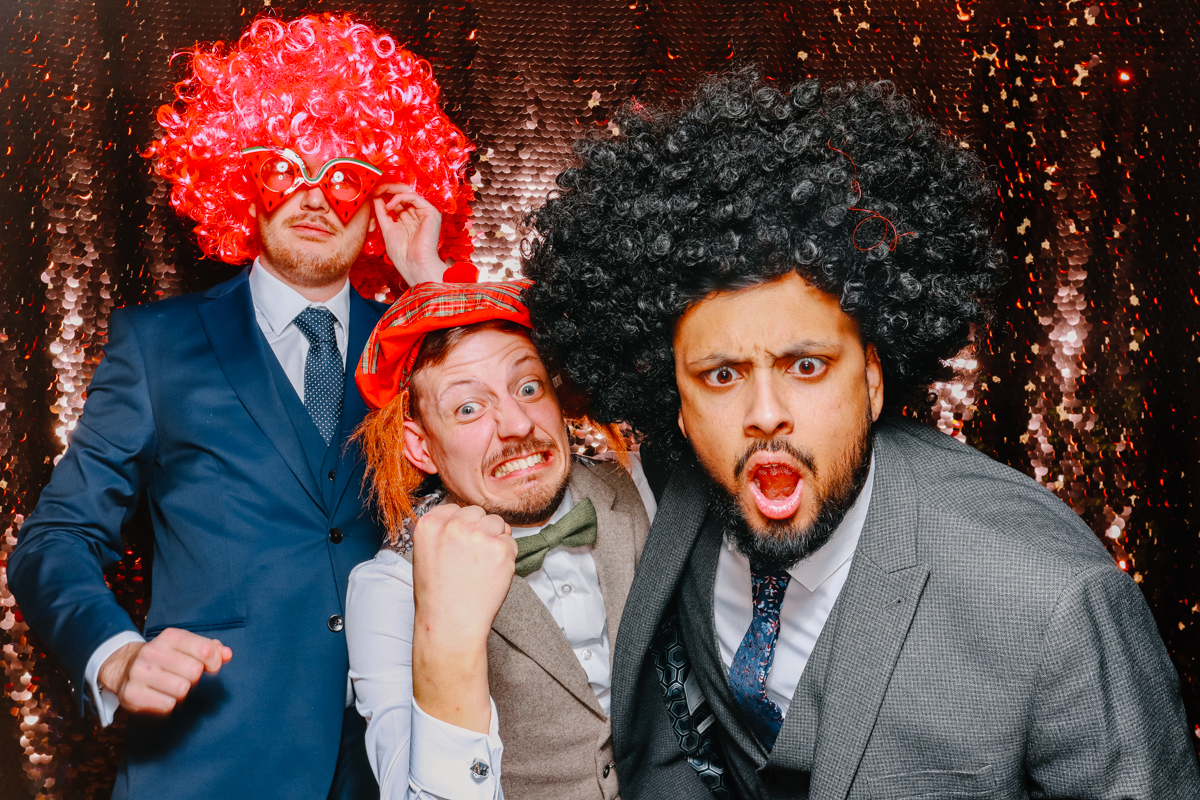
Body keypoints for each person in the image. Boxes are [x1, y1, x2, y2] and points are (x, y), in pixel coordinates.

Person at [522, 69, 1200, 799]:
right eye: (721, 376)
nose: (765, 412)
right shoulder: (677, 500)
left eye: (806, 365)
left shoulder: (1051, 600)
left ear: (873, 378)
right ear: (677, 406)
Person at [8, 14, 475, 799]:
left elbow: (501, 457)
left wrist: (429, 284)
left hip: (393, 764)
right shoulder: (157, 346)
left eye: (345, 176)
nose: (314, 195)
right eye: (281, 166)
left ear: (385, 194)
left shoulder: (417, 345)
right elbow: (52, 541)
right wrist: (115, 654)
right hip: (210, 762)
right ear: (234, 180)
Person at [345, 279, 656, 799]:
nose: (516, 424)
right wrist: (447, 637)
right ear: (421, 448)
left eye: (528, 387)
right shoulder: (388, 589)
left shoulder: (643, 489)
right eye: (468, 408)